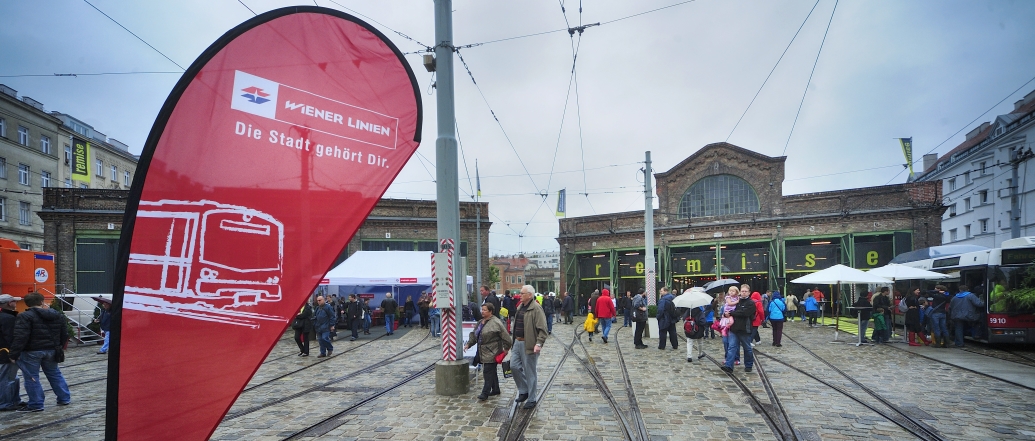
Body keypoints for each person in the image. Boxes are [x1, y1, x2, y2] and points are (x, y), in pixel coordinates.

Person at [9, 292, 71, 411]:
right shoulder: (57, 315)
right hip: (52, 350)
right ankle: (64, 398)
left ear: (27, 303)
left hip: (32, 351)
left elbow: (20, 336)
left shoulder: (25, 316)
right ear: (42, 301)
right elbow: (65, 333)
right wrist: (59, 346)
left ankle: (36, 403)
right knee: (55, 374)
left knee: (31, 377)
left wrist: (14, 353)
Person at [511, 285, 548, 410]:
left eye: (522, 293)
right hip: (517, 342)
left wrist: (539, 343)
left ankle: (531, 399)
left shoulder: (536, 308)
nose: (519, 295)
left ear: (530, 295)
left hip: (529, 344)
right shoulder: (520, 307)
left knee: (530, 371)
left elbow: (543, 329)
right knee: (513, 366)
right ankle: (524, 390)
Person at [466, 303, 511, 401]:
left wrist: (506, 349)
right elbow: (474, 335)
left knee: (487, 371)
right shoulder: (480, 322)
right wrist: (469, 344)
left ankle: (484, 393)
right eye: (482, 309)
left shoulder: (496, 322)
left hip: (493, 351)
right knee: (491, 371)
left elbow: (506, 338)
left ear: (490, 311)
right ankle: (495, 389)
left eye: (485, 310)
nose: (482, 311)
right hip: (482, 351)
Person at [722, 286, 756, 373]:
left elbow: (745, 313)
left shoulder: (751, 303)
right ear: (740, 292)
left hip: (744, 329)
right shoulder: (736, 301)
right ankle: (729, 365)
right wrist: (726, 314)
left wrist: (732, 313)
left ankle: (748, 365)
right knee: (732, 347)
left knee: (747, 348)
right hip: (734, 328)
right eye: (742, 291)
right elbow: (728, 308)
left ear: (749, 292)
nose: (744, 293)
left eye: (745, 291)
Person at [0, 294, 23, 411]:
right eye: (14, 301)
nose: (16, 303)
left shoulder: (5, 316)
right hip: (6, 353)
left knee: (12, 377)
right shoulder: (8, 318)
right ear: (10, 303)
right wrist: (14, 353)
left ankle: (14, 400)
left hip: (5, 352)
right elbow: (11, 338)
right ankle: (5, 402)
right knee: (7, 378)